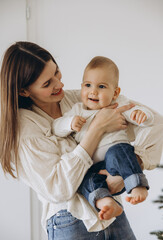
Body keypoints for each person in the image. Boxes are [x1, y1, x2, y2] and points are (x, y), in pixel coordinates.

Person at [0, 42, 162, 240]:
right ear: (24, 91)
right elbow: (59, 188)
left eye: (56, 72)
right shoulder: (25, 129)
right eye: (47, 84)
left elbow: (156, 122)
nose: (59, 84)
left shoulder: (80, 98)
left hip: (111, 213)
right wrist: (98, 127)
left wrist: (130, 168)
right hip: (70, 219)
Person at [52, 56, 154, 220]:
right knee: (84, 179)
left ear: (115, 92)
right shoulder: (77, 110)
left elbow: (148, 117)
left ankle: (137, 184)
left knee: (120, 151)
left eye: (101, 86)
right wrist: (69, 123)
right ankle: (105, 202)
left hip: (118, 164)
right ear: (81, 87)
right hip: (93, 165)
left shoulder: (117, 104)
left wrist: (141, 115)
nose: (93, 91)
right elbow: (55, 127)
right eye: (88, 85)